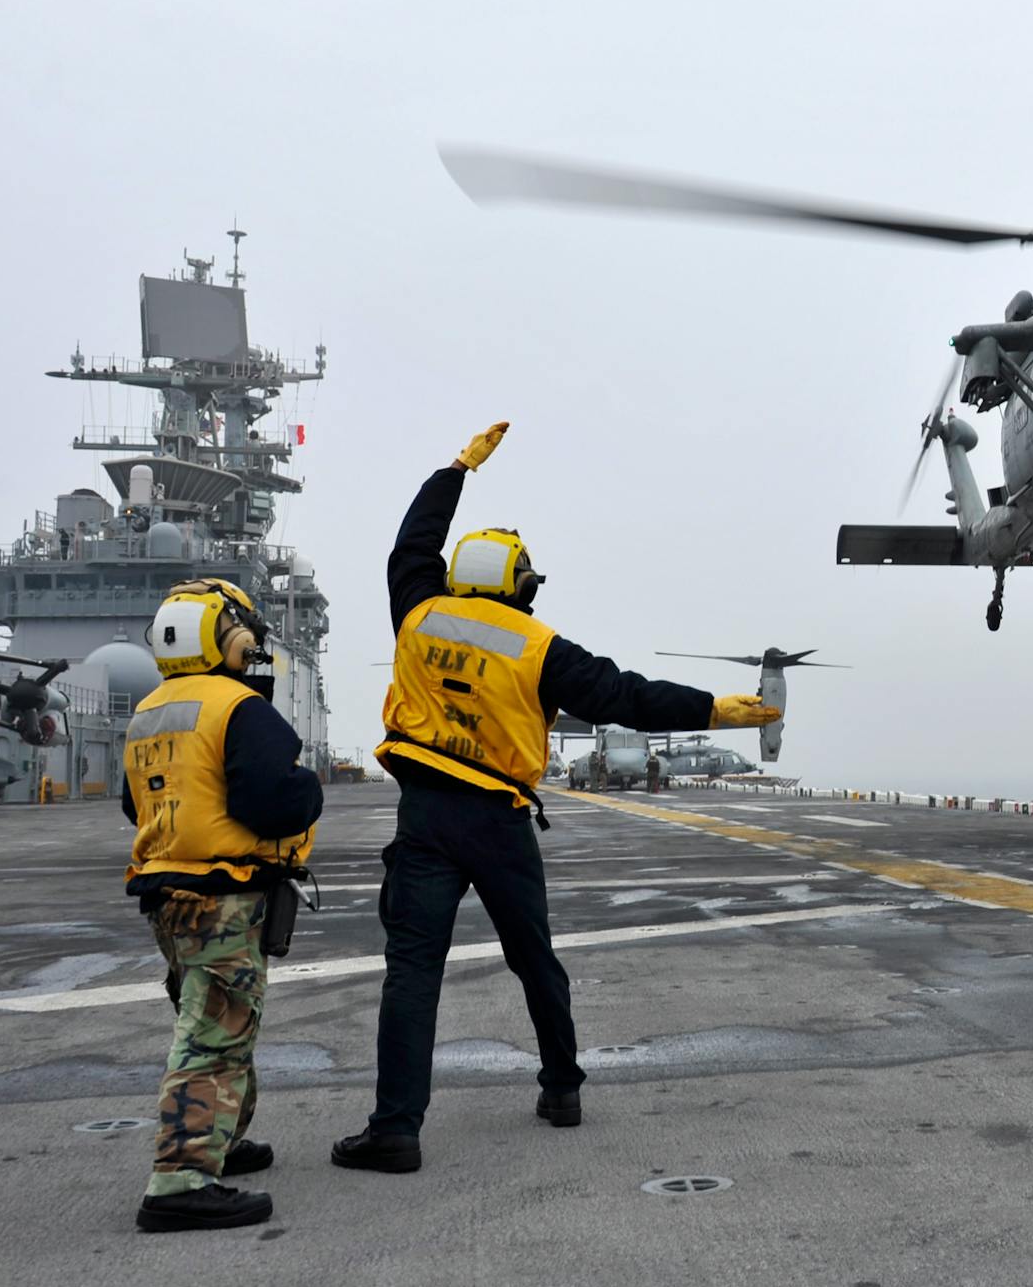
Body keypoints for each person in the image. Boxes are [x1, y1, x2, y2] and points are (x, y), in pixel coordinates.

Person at [331, 422, 780, 1175]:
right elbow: (627, 695)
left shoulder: (416, 611)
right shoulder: (539, 648)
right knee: (534, 959)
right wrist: (716, 709)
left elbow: (411, 545)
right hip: (500, 822)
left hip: (426, 816)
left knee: (413, 972)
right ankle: (562, 1090)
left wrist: (454, 471)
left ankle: (396, 1129)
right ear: (520, 585)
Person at [122, 578, 322, 1233]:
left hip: (165, 895)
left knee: (214, 1016)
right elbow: (272, 801)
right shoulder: (240, 708)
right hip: (223, 897)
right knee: (214, 1039)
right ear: (228, 636)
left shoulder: (149, 710)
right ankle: (179, 1180)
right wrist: (310, 790)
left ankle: (225, 1140)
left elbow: (135, 806)